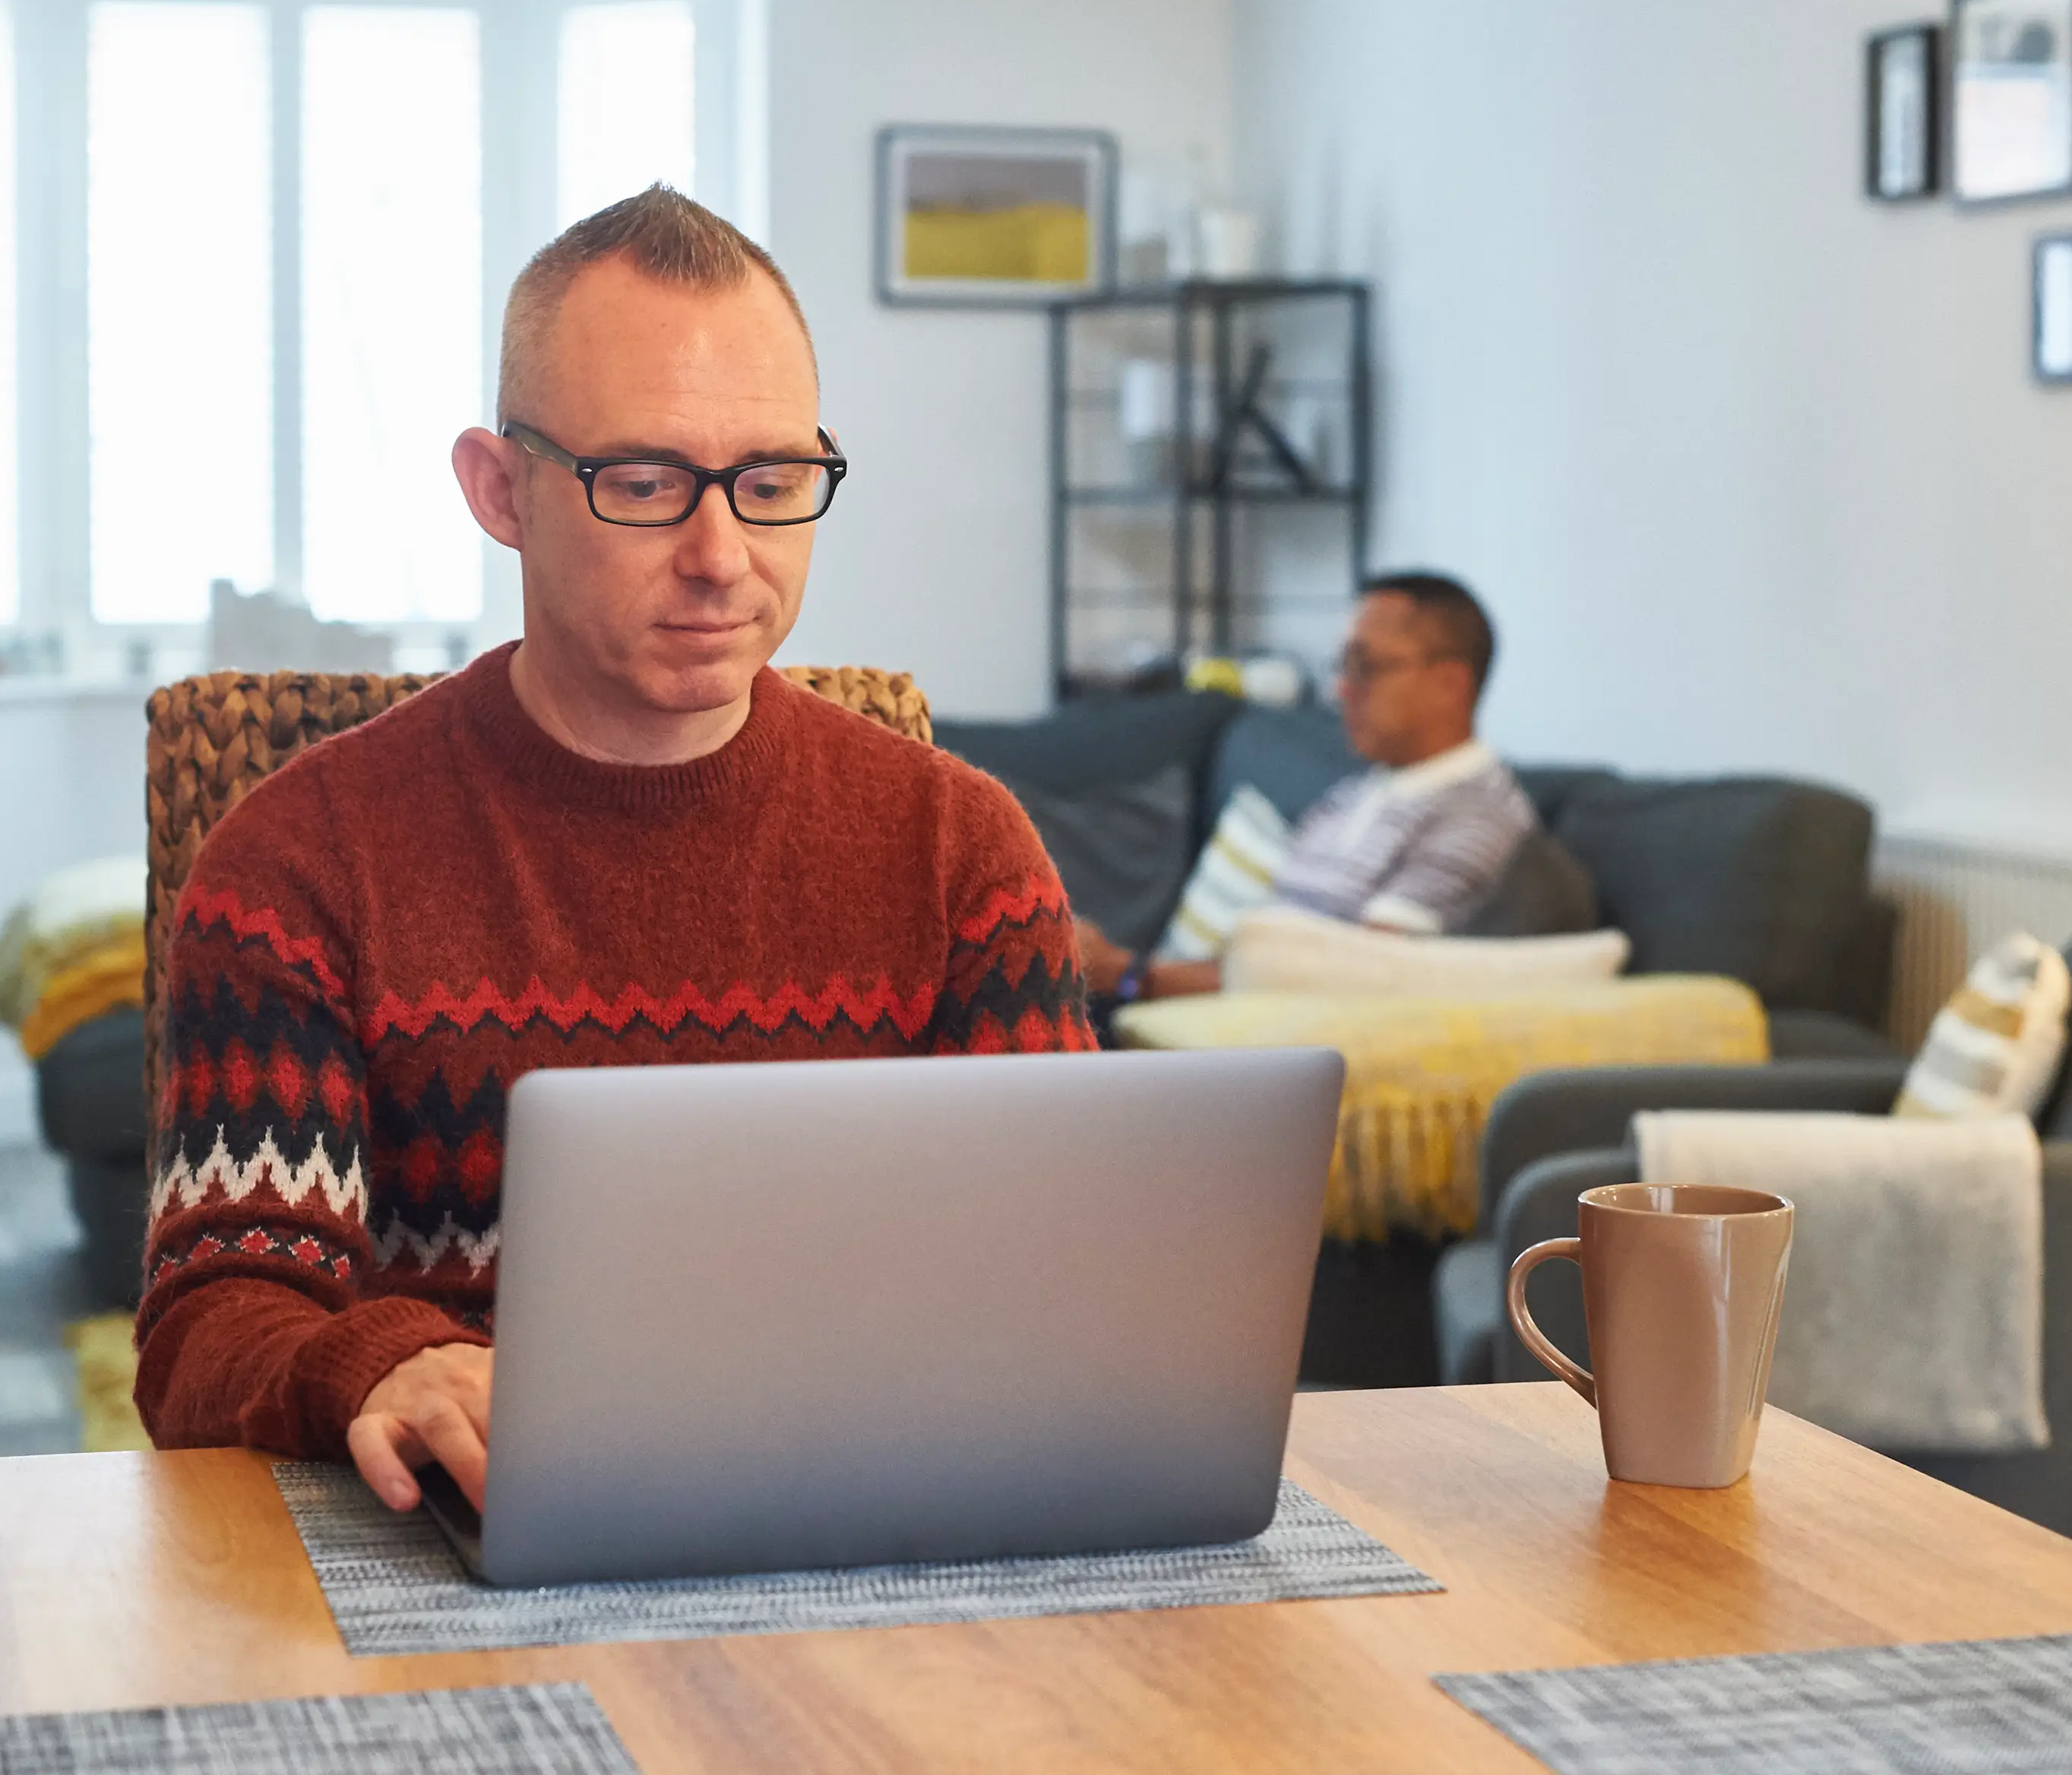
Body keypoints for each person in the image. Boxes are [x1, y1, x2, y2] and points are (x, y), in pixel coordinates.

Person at [134, 186, 1095, 1511]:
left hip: (876, 1524)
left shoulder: (960, 850)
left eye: (771, 483)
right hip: (460, 1552)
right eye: (644, 483)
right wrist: (384, 1365)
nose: (723, 555)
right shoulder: (300, 860)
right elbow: (209, 1329)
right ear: (500, 490)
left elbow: (1065, 1276)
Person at [1074, 574, 1535, 1002]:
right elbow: (1267, 953)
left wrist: (1127, 973)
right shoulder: (1356, 791)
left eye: (1364, 667)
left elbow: (1356, 978)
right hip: (1211, 1010)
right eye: (1342, 666)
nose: (1340, 690)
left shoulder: (1476, 816)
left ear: (1450, 684)